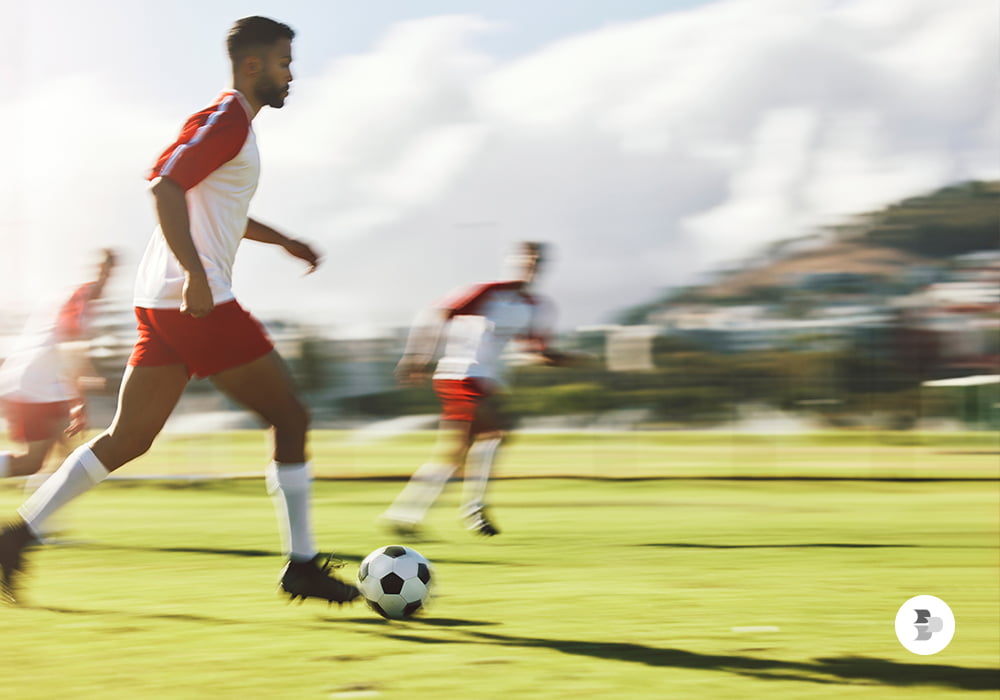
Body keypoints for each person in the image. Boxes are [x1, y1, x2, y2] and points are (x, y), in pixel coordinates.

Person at [0, 16, 359, 607]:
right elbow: (164, 187)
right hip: (197, 302)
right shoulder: (226, 121)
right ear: (252, 66)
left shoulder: (229, 124)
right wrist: (195, 275)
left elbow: (214, 211)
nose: (290, 74)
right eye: (283, 63)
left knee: (127, 439)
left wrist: (284, 241)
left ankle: (17, 536)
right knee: (290, 417)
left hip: (162, 302)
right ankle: (301, 566)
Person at [381, 241, 581, 538]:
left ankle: (406, 514)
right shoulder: (487, 292)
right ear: (513, 262)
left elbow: (537, 350)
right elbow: (435, 314)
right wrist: (416, 357)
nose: (530, 267)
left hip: (484, 382)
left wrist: (571, 360)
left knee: (457, 453)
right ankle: (473, 510)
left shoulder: (535, 307)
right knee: (494, 434)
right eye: (526, 260)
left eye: (536, 262)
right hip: (461, 375)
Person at [0, 249, 116, 485]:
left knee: (61, 458)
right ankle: (34, 520)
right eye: (102, 270)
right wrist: (80, 400)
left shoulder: (77, 299)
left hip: (43, 386)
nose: (105, 277)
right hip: (34, 388)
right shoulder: (78, 300)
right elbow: (71, 355)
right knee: (33, 462)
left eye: (109, 271)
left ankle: (35, 520)